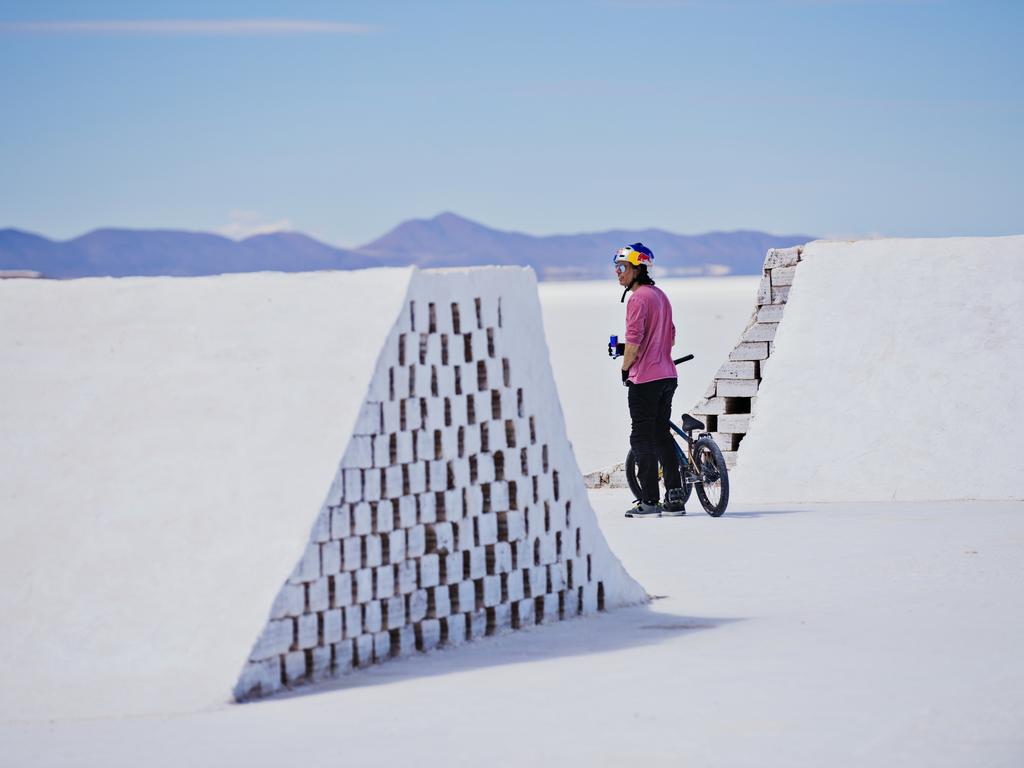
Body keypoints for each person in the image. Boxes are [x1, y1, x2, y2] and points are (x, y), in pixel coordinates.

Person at [614, 243, 686, 518]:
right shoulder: (660, 295)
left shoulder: (637, 298)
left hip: (645, 379)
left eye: (622, 268)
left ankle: (649, 501)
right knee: (661, 435)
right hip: (668, 375)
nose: (618, 274)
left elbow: (634, 341)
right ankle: (675, 499)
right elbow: (671, 336)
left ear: (637, 269)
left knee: (641, 438)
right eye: (616, 268)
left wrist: (625, 366)